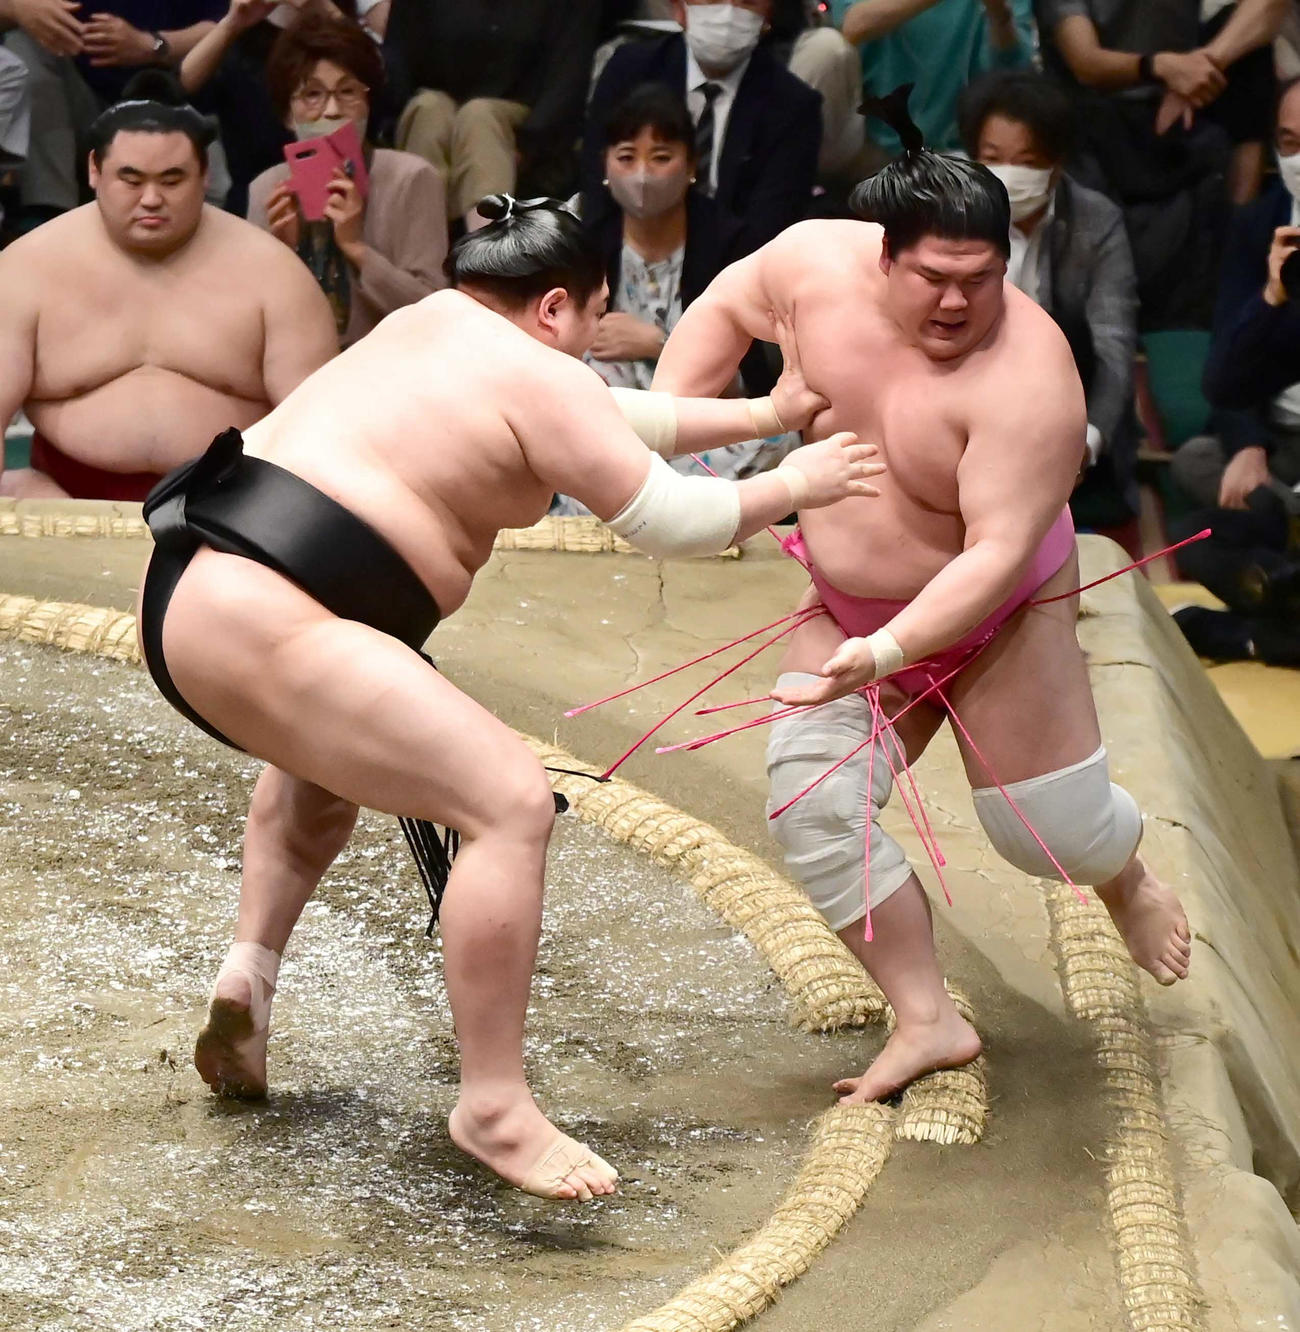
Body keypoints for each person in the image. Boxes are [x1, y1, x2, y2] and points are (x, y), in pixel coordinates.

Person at [134, 194, 882, 1199]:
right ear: (558, 308)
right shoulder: (536, 375)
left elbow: (614, 418)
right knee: (508, 802)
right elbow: (669, 515)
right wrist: (799, 479)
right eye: (589, 328)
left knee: (323, 769)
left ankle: (249, 979)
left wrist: (763, 416)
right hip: (275, 614)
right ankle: (492, 1106)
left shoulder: (424, 328)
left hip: (193, 591)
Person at [651, 91, 1192, 1104]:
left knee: (1050, 839)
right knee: (811, 805)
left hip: (998, 619)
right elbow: (722, 311)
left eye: (981, 281)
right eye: (935, 279)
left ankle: (1125, 879)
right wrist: (680, 435)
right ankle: (926, 1018)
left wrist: (891, 650)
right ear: (882, 257)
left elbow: (990, 556)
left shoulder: (1031, 379)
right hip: (847, 603)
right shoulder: (812, 265)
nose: (956, 305)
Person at [0, 77, 336, 499]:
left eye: (172, 179)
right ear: (94, 171)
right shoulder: (27, 267)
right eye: (132, 179)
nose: (152, 198)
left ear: (204, 175)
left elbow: (317, 429)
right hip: (63, 493)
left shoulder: (275, 275)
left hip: (232, 501)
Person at [573, 82, 795, 494]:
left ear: (691, 164)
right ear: (604, 165)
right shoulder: (583, 232)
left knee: (779, 441)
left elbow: (748, 376)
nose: (642, 173)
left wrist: (658, 344)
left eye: (661, 157)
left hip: (702, 409)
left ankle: (642, 492)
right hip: (615, 411)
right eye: (626, 157)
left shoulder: (731, 241)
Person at [958, 69, 1140, 538]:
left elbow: (1114, 349)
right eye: (993, 158)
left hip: (1059, 400)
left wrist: (1084, 443)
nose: (1008, 173)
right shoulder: (947, 205)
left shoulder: (1097, 223)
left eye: (1026, 160)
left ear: (1056, 165)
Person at [1166, 76, 1300, 666]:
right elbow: (1222, 380)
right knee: (1201, 518)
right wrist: (1271, 298)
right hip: (1283, 445)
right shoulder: (1262, 225)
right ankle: (1287, 584)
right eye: (1290, 141)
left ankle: (1255, 632)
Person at [247, 11, 445, 345]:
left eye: (348, 91)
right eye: (312, 94)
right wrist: (284, 256)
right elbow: (247, 320)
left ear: (368, 102)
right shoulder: (266, 188)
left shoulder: (411, 178)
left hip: (388, 366)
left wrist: (357, 248)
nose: (332, 111)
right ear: (287, 114)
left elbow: (434, 311)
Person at [583, 0, 823, 260]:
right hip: (620, 260)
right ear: (679, 8)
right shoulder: (629, 71)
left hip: (734, 274)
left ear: (768, 16)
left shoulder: (794, 107)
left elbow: (770, 230)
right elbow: (596, 188)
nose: (728, 13)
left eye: (747, 1)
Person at [1, 0, 222, 223]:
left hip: (173, 97)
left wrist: (153, 45)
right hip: (79, 96)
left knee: (216, 205)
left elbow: (228, 23)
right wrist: (16, 8)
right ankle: (47, 212)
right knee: (22, 43)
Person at [385, 0, 600, 229]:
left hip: (522, 114)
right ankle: (422, 252)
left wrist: (530, 144)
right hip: (441, 102)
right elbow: (398, 63)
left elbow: (567, 79)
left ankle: (487, 254)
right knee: (427, 110)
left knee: (479, 116)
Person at [831, 0, 1035, 155]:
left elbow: (1014, 70)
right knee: (825, 46)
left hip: (957, 150)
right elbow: (852, 24)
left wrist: (999, 15)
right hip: (866, 145)